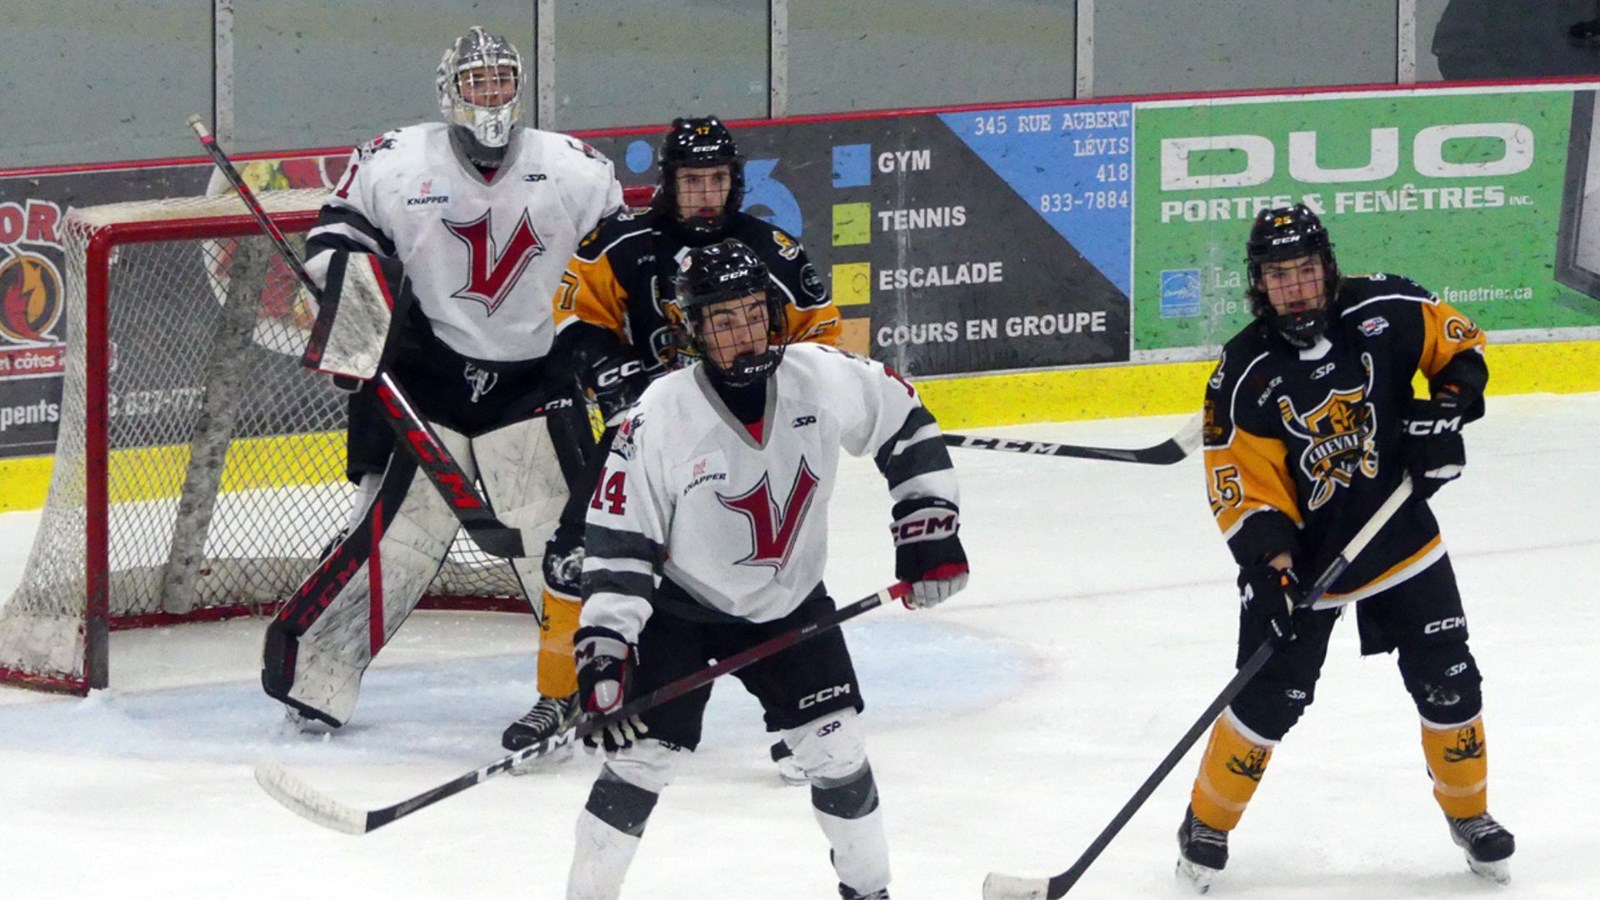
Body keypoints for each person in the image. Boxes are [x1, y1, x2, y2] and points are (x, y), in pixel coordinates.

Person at [563, 239, 969, 900]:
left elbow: (905, 420)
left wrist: (928, 525)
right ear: (691, 330)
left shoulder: (822, 377)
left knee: (840, 758)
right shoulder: (656, 419)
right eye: (722, 321)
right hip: (681, 615)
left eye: (754, 314)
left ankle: (870, 894)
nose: (744, 335)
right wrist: (605, 647)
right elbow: (619, 543)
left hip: (793, 606)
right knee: (636, 766)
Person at [259, 26, 624, 741]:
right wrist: (350, 310)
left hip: (535, 385)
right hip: (430, 384)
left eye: (500, 81)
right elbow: (339, 238)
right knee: (393, 541)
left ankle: (600, 680)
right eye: (475, 83)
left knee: (563, 544)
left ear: (519, 87)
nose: (489, 96)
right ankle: (315, 677)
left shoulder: (575, 168)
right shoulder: (395, 160)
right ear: (448, 92)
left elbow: (616, 263)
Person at [1177, 204, 1514, 891]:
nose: (1296, 288)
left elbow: (1460, 351)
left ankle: (1471, 816)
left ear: (1326, 267)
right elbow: (1244, 490)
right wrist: (1270, 572)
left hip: (1397, 536)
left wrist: (1445, 411)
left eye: (1305, 270)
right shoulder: (1244, 372)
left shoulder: (1386, 308)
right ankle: (1204, 824)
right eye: (1280, 276)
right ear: (1259, 285)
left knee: (1448, 677)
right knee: (1273, 697)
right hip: (1305, 564)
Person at [502, 116, 841, 776]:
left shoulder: (769, 251)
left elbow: (822, 342)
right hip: (643, 441)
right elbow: (573, 318)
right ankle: (559, 696)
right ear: (669, 184)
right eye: (693, 182)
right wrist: (609, 368)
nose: (706, 195)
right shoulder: (623, 242)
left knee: (772, 571)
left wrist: (777, 388)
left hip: (747, 447)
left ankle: (802, 716)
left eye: (717, 180)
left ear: (735, 182)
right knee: (576, 557)